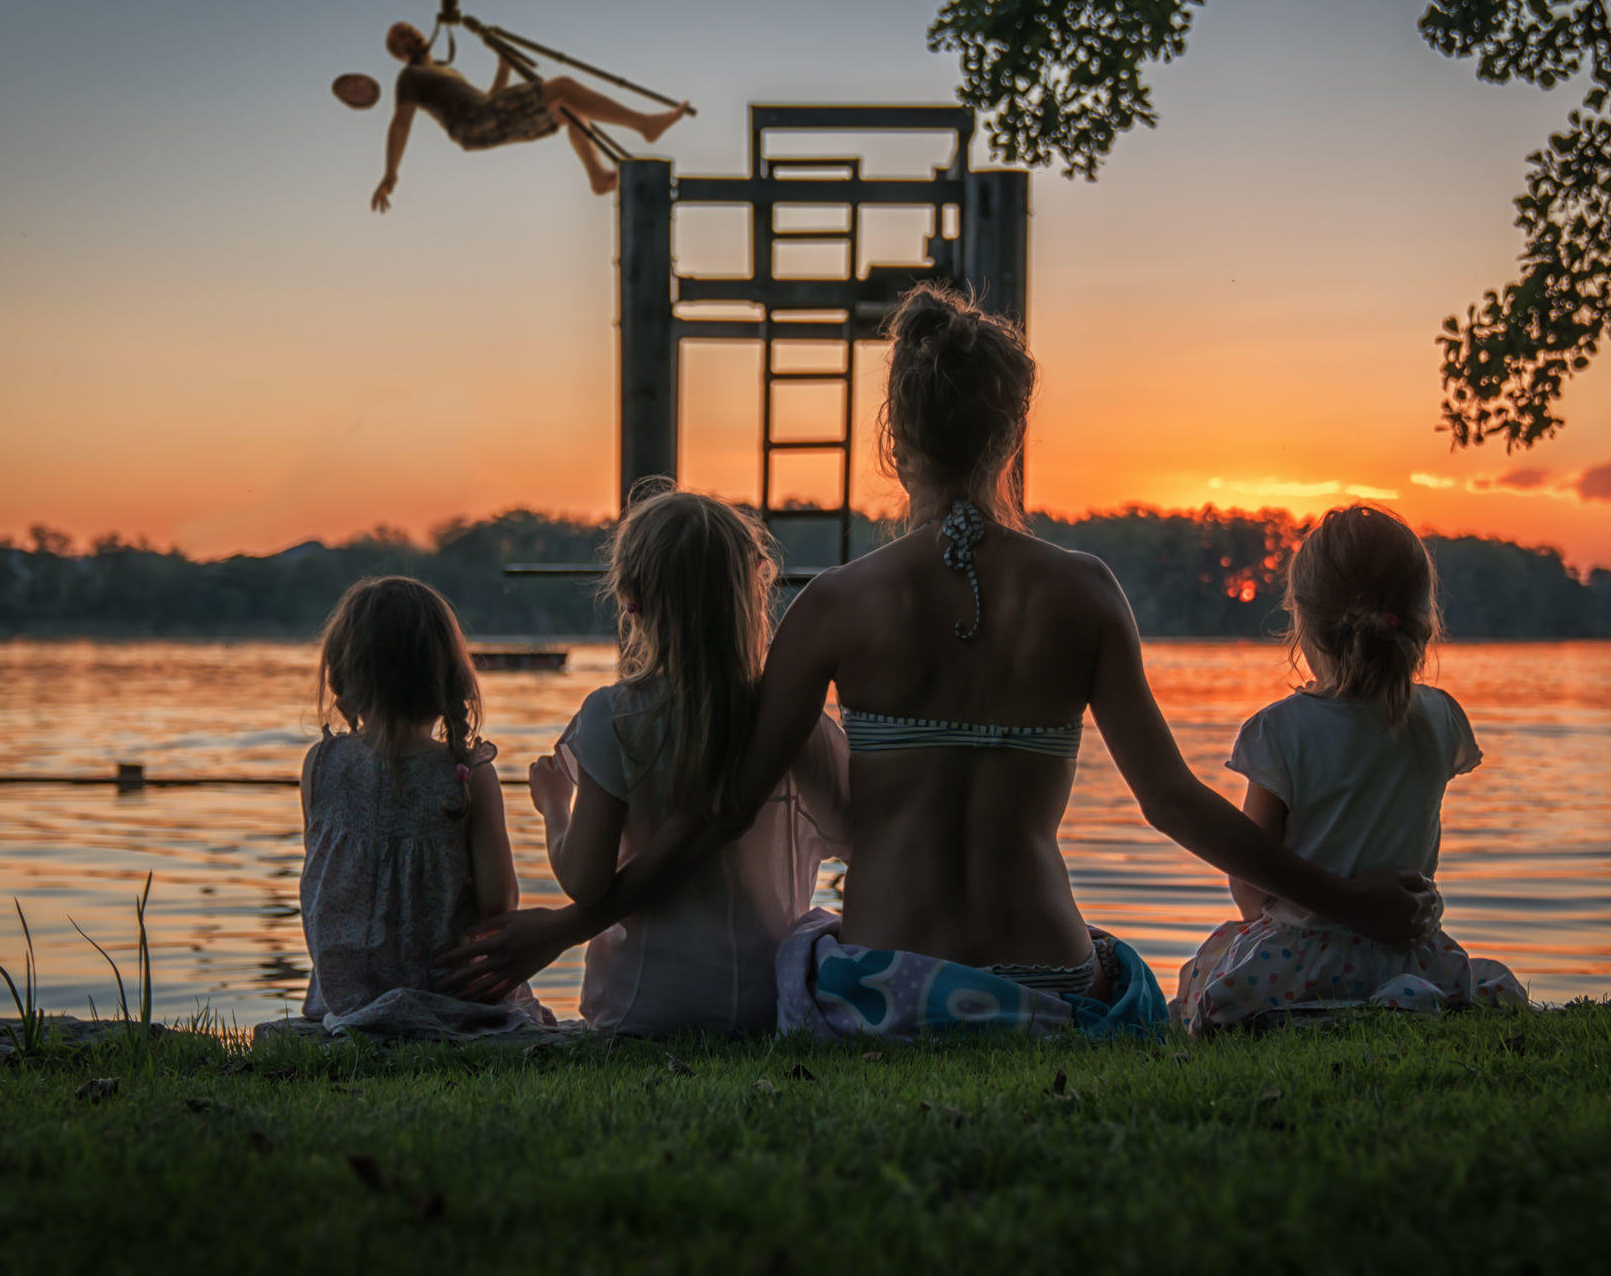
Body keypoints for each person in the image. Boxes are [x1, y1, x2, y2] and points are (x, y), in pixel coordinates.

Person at [438, 285, 1438, 1037]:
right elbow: (1172, 801)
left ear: (891, 436)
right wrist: (1349, 902)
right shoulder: (1085, 589)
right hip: (1047, 982)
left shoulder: (833, 604)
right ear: (1011, 435)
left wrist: (562, 928)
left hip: (884, 987)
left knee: (807, 941)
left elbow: (722, 814)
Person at [1176, 506, 1528, 1030]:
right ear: (1420, 622)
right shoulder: (1441, 719)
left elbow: (1248, 883)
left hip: (1299, 961)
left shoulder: (1279, 732)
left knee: (1202, 974)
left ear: (1305, 622)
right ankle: (1388, 1002)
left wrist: (1276, 936)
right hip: (1409, 950)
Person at [529, 488, 850, 1034]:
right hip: (769, 1002)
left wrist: (555, 807)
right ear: (752, 591)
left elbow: (586, 881)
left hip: (642, 1006)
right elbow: (856, 836)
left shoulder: (614, 718)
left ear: (630, 598)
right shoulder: (796, 727)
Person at [299, 576, 552, 1039]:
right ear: (449, 680)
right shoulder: (469, 775)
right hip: (450, 995)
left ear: (341, 677)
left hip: (346, 999)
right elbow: (500, 903)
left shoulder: (321, 766)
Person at [370, 21, 688, 203]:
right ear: (401, 53)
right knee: (563, 86)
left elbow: (491, 99)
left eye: (411, 31)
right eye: (404, 39)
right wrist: (391, 172)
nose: (413, 36)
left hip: (482, 119)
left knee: (569, 107)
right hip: (473, 123)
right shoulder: (410, 77)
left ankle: (598, 177)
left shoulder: (444, 71)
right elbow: (400, 124)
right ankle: (645, 125)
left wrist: (504, 67)